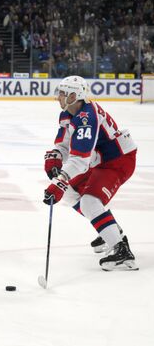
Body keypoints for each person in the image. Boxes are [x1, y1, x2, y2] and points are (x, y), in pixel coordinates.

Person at [43, 75, 138, 271]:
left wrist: (59, 182)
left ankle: (121, 250)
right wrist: (56, 157)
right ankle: (110, 230)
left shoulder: (86, 117)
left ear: (74, 95)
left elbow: (80, 159)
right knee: (70, 193)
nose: (58, 97)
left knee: (89, 202)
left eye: (62, 93)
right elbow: (63, 146)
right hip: (98, 161)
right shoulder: (67, 114)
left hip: (118, 160)